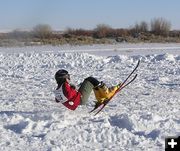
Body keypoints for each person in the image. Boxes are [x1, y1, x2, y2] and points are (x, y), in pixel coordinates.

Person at [54, 69, 120, 110]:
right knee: (90, 79)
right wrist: (72, 88)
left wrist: (74, 88)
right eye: (67, 76)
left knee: (90, 84)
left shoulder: (58, 89)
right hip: (80, 99)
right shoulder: (65, 85)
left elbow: (58, 100)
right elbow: (69, 95)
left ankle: (100, 98)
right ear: (64, 78)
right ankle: (106, 92)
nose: (69, 78)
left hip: (76, 101)